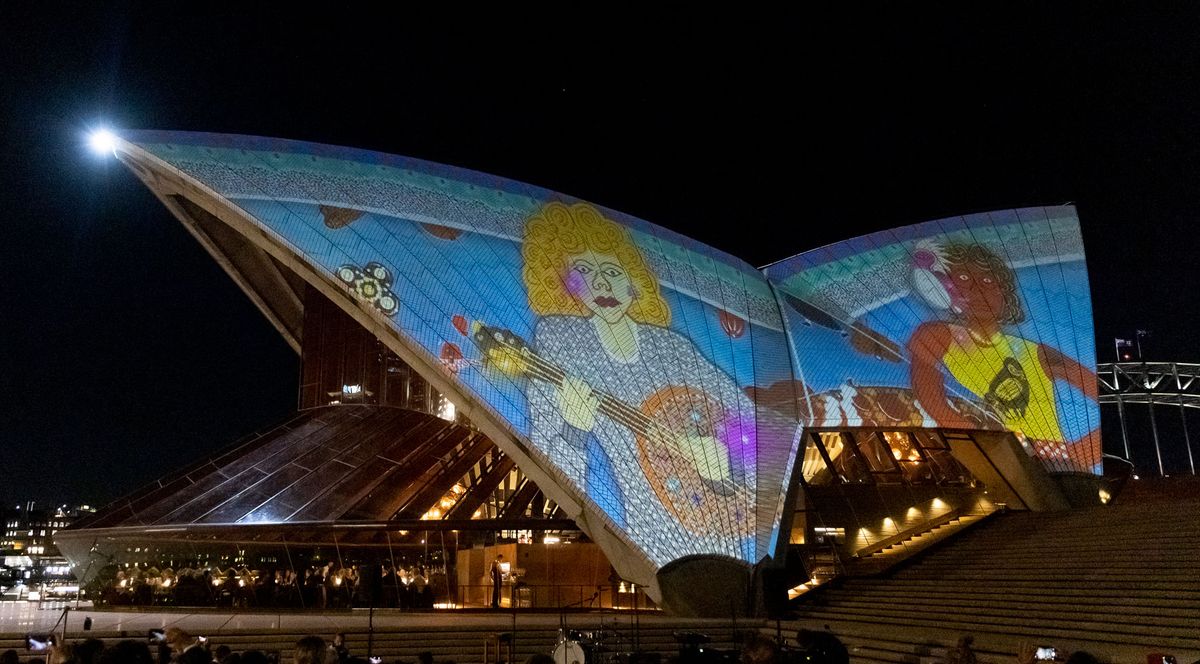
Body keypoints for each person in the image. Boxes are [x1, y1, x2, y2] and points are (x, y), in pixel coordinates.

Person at [520, 202, 759, 563]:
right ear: (564, 283)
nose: (601, 282)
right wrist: (573, 431)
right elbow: (552, 470)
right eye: (583, 270)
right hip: (654, 537)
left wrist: (726, 456)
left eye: (612, 271)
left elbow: (753, 423)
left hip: (718, 521)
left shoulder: (673, 346)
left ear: (635, 284)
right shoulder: (558, 339)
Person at [907, 240, 1100, 473]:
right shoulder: (937, 335)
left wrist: (1075, 454)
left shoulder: (1037, 353)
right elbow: (930, 396)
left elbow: (1103, 394)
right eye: (965, 279)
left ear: (1004, 293)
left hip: (1052, 466)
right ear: (947, 291)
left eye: (988, 281)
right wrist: (986, 446)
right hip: (995, 458)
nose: (978, 290)